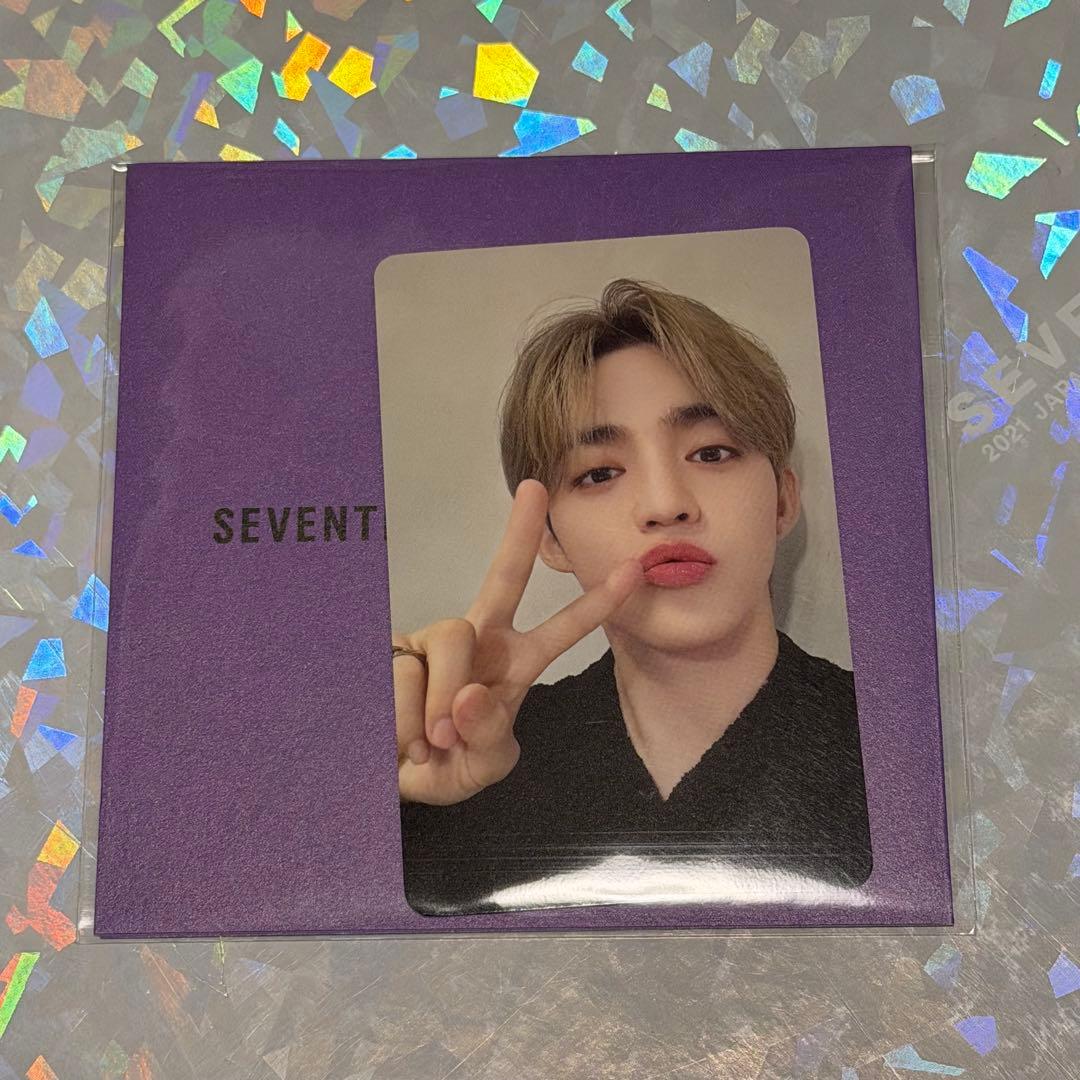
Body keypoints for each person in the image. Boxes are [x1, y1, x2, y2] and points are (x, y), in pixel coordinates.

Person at [392, 278, 872, 915]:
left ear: (783, 501)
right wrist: (385, 790)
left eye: (712, 452)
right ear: (550, 538)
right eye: (599, 473)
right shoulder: (472, 756)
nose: (666, 504)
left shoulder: (906, 746)